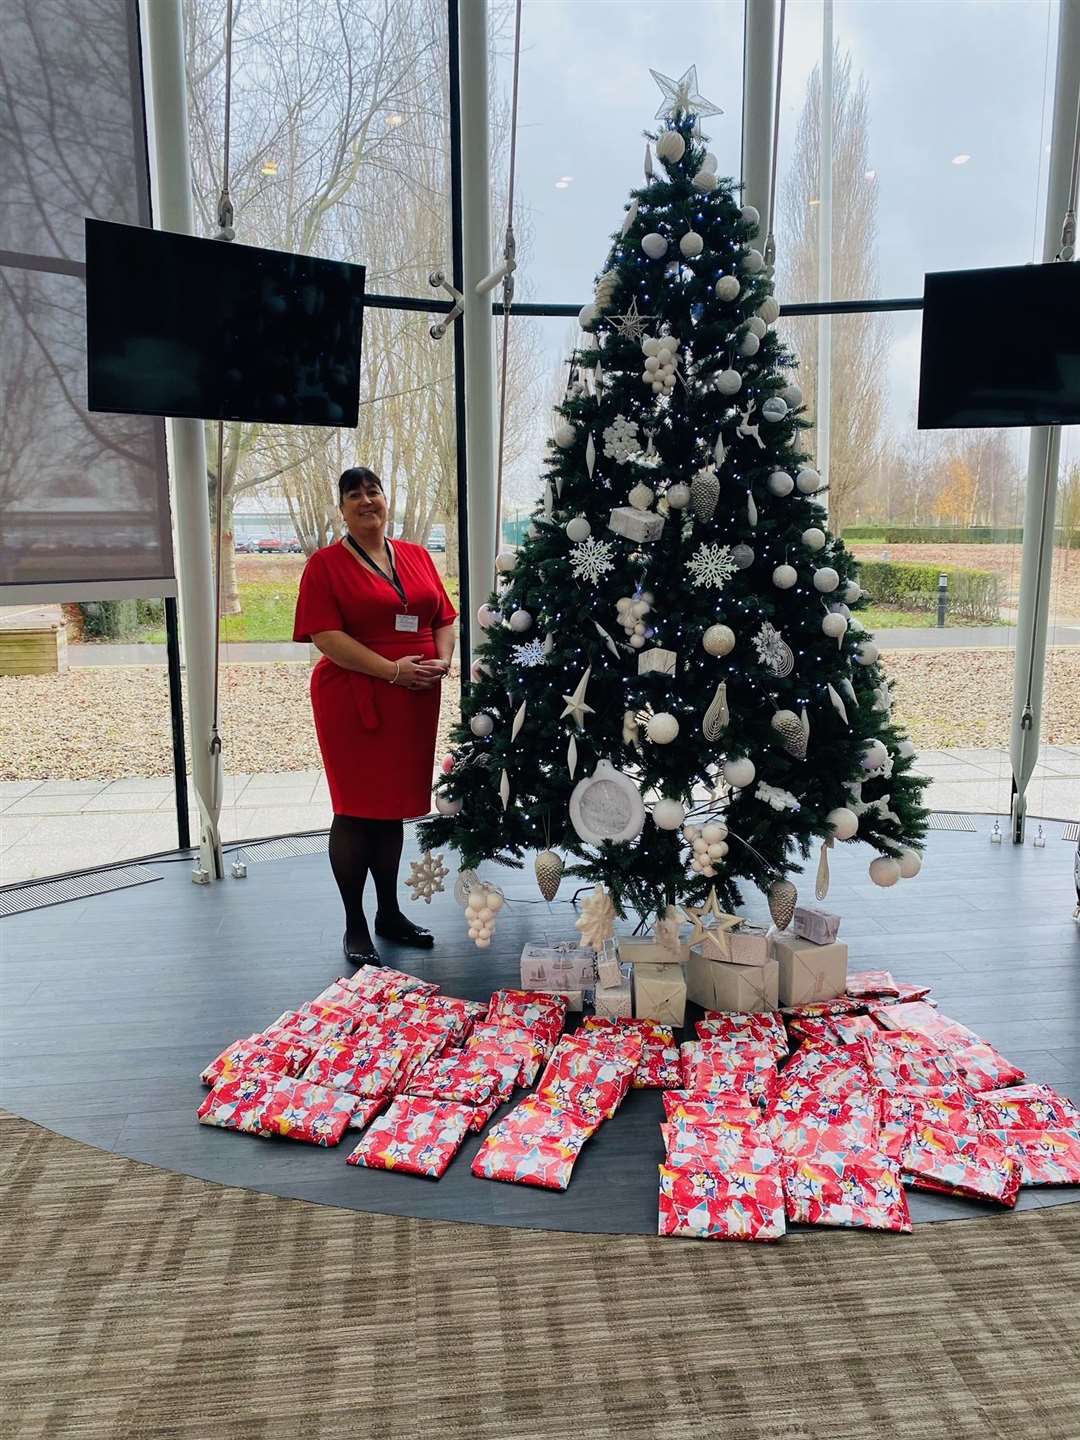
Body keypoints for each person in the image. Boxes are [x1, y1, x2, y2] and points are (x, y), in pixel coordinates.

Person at [293, 466, 457, 965]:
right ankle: (355, 924)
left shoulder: (416, 556)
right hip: (355, 695)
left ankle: (389, 912)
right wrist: (391, 670)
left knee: (391, 809)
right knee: (355, 810)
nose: (367, 501)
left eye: (373, 491)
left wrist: (443, 659)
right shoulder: (324, 565)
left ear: (386, 500)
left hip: (412, 700)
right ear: (341, 509)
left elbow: (443, 617)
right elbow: (325, 636)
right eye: (354, 495)